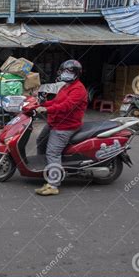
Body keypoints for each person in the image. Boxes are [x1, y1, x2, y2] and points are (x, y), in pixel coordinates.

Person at [35, 60, 88, 196]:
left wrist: (47, 110)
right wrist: (42, 104)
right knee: (41, 141)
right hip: (55, 122)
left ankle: (53, 184)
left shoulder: (78, 89)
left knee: (53, 152)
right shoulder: (66, 86)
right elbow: (57, 101)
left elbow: (66, 107)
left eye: (69, 72)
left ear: (76, 74)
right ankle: (46, 169)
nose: (66, 74)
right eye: (64, 71)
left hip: (66, 125)